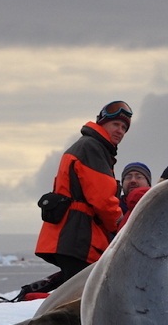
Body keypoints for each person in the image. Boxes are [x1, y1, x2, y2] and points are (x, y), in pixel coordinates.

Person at [34, 100, 131, 284]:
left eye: (124, 128)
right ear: (101, 123)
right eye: (116, 124)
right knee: (83, 299)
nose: (120, 130)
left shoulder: (88, 146)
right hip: (79, 239)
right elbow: (103, 199)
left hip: (69, 238)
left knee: (74, 292)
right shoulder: (92, 147)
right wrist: (121, 228)